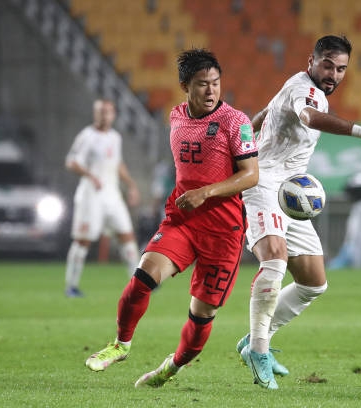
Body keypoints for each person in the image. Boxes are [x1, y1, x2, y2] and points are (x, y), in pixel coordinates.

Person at [236, 35, 361, 389]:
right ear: (310, 61)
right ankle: (259, 349)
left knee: (313, 283)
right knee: (275, 262)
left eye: (341, 68)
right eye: (327, 64)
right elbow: (310, 117)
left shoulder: (295, 86)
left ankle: (255, 337)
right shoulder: (307, 92)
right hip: (263, 184)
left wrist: (243, 138)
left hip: (289, 191)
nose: (333, 73)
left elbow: (266, 113)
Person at [84, 49, 259, 388]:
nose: (211, 91)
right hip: (183, 220)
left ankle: (171, 367)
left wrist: (206, 192)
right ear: (184, 86)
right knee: (143, 278)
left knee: (202, 314)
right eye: (202, 85)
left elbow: (251, 174)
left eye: (216, 84)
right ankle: (120, 344)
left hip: (224, 231)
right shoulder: (176, 116)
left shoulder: (234, 122)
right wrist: (191, 195)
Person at [64, 98, 141, 298]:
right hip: (91, 195)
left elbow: (118, 164)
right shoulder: (87, 136)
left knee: (127, 236)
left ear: (113, 114)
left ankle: (138, 284)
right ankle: (71, 286)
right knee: (83, 241)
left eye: (107, 112)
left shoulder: (115, 137)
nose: (104, 115)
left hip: (112, 194)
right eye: (100, 111)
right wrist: (91, 176)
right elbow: (71, 162)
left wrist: (131, 185)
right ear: (94, 113)